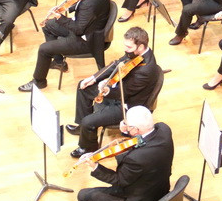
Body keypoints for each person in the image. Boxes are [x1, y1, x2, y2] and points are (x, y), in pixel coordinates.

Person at [67, 27, 161, 157]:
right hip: (119, 92)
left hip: (127, 105)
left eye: (129, 47)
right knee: (83, 87)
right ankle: (82, 127)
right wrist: (93, 78)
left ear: (140, 46)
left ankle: (88, 148)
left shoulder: (146, 70)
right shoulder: (134, 53)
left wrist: (106, 89)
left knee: (89, 121)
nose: (125, 50)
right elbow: (117, 64)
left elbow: (123, 92)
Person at [18, 0, 111, 92]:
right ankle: (58, 62)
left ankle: (39, 82)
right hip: (86, 26)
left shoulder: (89, 4)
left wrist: (60, 17)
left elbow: (78, 29)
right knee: (48, 25)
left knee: (44, 49)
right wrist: (66, 7)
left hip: (86, 39)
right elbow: (81, 1)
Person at [76, 105, 173, 201]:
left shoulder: (136, 159)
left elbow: (119, 180)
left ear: (135, 129)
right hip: (159, 185)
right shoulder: (164, 129)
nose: (124, 124)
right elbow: (139, 138)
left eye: (126, 123)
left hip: (140, 197)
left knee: (84, 196)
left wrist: (95, 167)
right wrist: (127, 130)